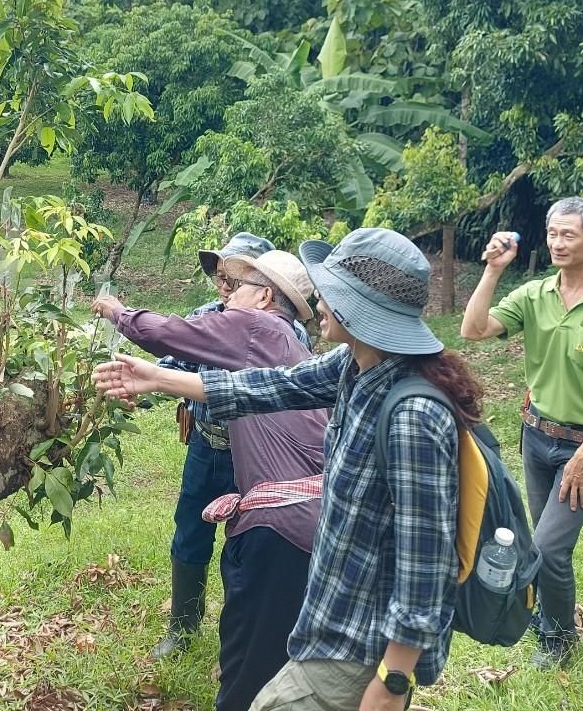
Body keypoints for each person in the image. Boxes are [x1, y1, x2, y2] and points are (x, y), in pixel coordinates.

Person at [96, 229, 482, 711]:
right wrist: (159, 378)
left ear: (362, 309)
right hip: (326, 614)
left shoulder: (412, 415)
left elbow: (427, 561)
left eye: (331, 292)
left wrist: (394, 679)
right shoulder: (353, 364)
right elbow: (267, 387)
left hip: (362, 640)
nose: (316, 300)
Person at [93, 250, 326, 710]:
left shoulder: (255, 327)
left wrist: (117, 311)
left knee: (247, 674)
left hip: (281, 525)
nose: (227, 294)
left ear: (263, 296)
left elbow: (168, 334)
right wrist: (157, 381)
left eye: (238, 285)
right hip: (315, 517)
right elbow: (227, 389)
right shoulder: (283, 341)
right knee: (284, 652)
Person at [461, 197, 583, 669]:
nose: (557, 243)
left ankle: (559, 638)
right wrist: (492, 270)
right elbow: (473, 329)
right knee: (537, 543)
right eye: (552, 233)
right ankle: (549, 615)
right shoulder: (535, 294)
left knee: (548, 550)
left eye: (568, 234)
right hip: (536, 435)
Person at [145, 231, 275, 660]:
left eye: (234, 278)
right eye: (220, 276)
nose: (223, 285)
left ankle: (241, 637)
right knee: (190, 533)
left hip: (255, 458)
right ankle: (182, 629)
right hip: (205, 446)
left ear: (262, 286)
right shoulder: (205, 315)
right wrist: (139, 382)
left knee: (250, 546)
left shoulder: (278, 329)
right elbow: (170, 361)